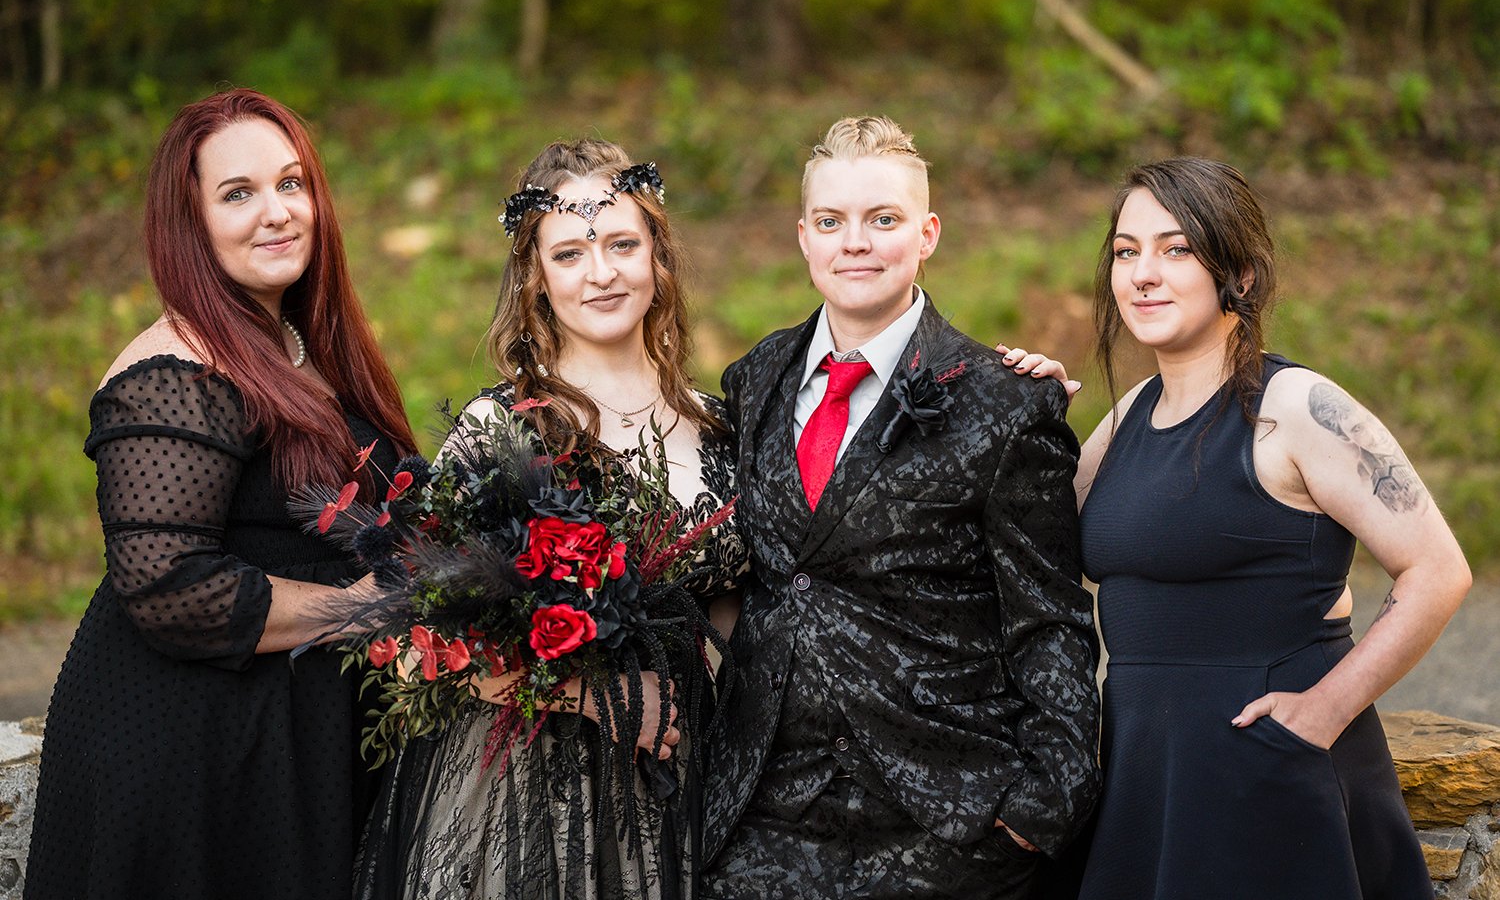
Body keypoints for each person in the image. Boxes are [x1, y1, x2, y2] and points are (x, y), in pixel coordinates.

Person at [25, 89, 418, 900]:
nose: (275, 212)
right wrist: (365, 608)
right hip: (187, 756)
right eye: (237, 194)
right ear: (190, 220)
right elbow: (171, 588)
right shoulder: (178, 370)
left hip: (283, 744)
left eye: (291, 183)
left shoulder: (299, 346)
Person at [701, 116, 1101, 899]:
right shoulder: (755, 379)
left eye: (883, 220)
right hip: (762, 814)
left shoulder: (1005, 402)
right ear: (804, 238)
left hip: (948, 818)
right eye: (832, 221)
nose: (856, 242)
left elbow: (1048, 620)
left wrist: (1043, 801)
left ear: (927, 234)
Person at [353, 139, 748, 900]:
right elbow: (417, 646)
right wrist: (600, 699)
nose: (601, 273)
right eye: (570, 254)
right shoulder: (503, 432)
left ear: (658, 258)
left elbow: (732, 591)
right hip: (530, 799)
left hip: (687, 785)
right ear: (536, 279)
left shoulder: (721, 425)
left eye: (623, 244)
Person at [1074, 157, 1470, 899]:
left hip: (1268, 772)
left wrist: (1322, 711)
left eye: (1176, 248)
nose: (1143, 273)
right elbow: (1034, 544)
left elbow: (1439, 571)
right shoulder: (1126, 417)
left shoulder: (1296, 407)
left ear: (1242, 276)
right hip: (1145, 775)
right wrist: (1014, 405)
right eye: (1127, 251)